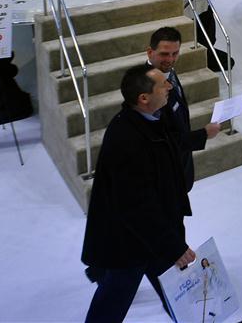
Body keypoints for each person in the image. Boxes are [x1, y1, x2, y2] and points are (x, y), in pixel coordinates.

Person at [82, 64, 195, 322]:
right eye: (162, 85)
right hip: (130, 242)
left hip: (156, 233)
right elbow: (135, 206)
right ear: (144, 98)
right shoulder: (125, 139)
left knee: (178, 292)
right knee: (113, 299)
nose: (169, 86)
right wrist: (173, 244)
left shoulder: (155, 118)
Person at [147, 27, 221, 193]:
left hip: (180, 167)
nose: (170, 59)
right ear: (150, 52)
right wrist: (204, 134)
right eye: (164, 54)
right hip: (164, 176)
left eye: (175, 53)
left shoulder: (167, 72)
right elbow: (162, 142)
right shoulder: (147, 89)